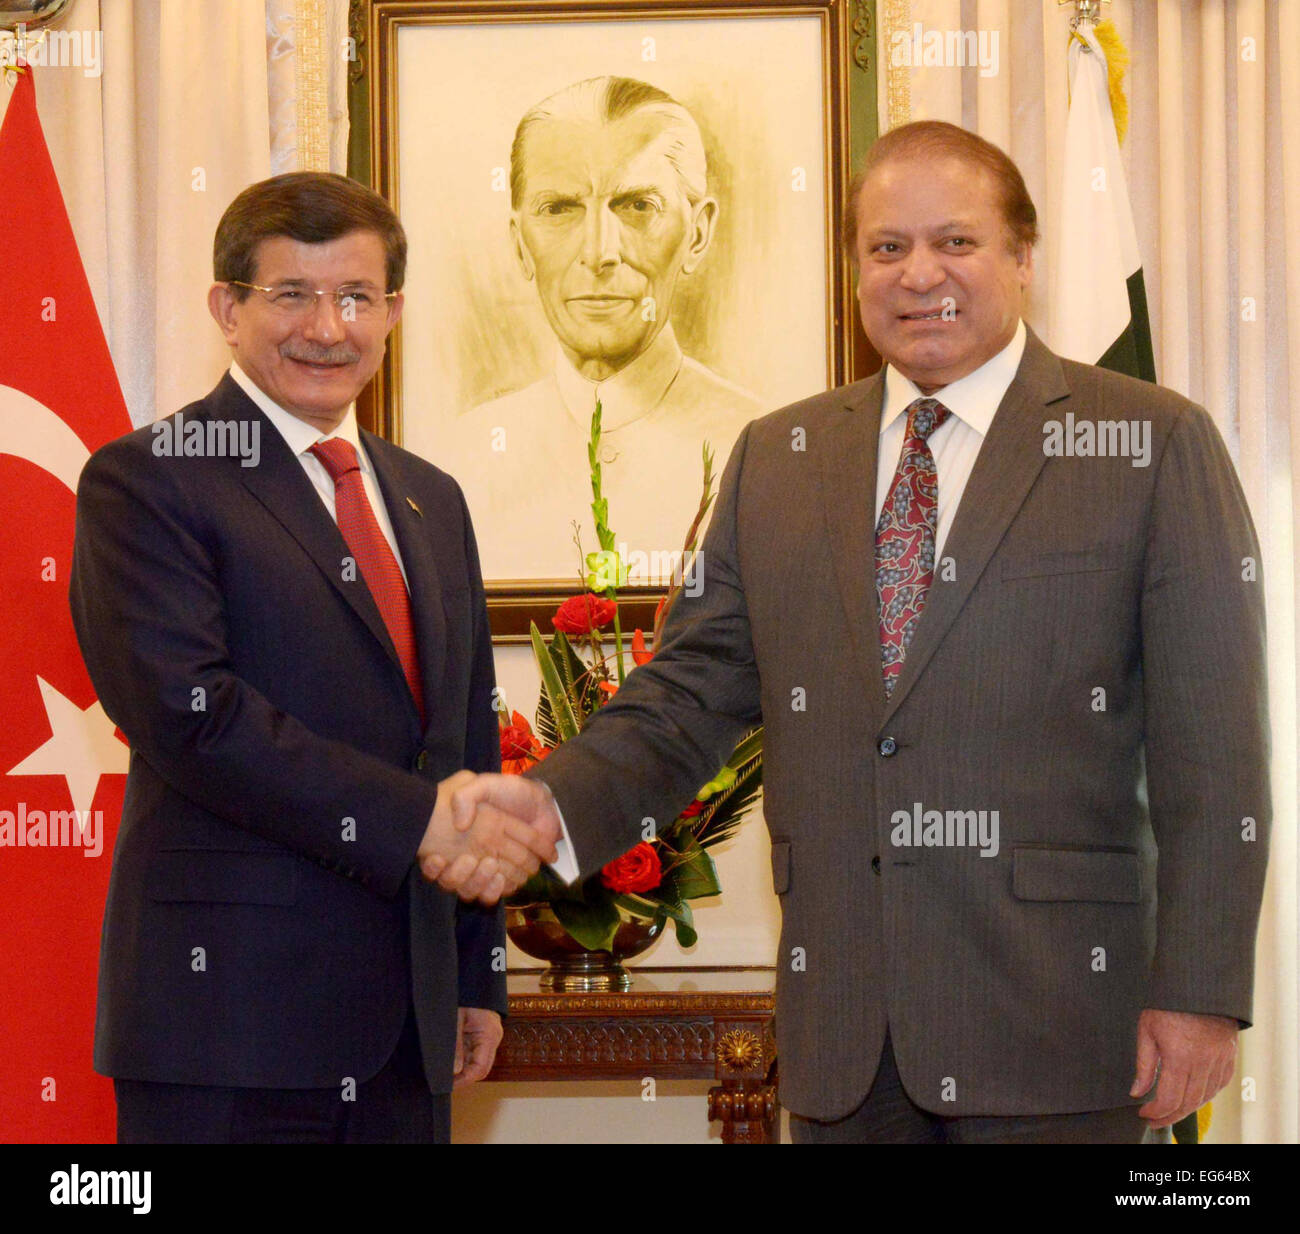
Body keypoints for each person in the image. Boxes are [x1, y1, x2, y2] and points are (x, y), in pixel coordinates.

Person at [441, 121, 1271, 1143]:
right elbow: (687, 690)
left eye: (955, 242)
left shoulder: (1149, 442)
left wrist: (1198, 994)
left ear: (1021, 258)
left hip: (1064, 1030)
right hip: (845, 1043)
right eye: (886, 248)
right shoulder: (780, 456)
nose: (919, 273)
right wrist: (543, 806)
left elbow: (1216, 754)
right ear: (855, 270)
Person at [69, 172, 558, 1144]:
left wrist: (474, 976)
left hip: (404, 1037)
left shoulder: (431, 497)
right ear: (227, 308)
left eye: (355, 297)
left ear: (394, 311)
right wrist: (421, 820)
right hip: (226, 1032)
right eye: (291, 295)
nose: (327, 328)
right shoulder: (150, 478)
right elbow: (193, 717)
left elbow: (459, 743)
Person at [454, 75, 765, 580]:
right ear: (519, 244)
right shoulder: (457, 460)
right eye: (559, 209)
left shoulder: (766, 450)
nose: (599, 252)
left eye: (638, 206)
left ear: (698, 233)